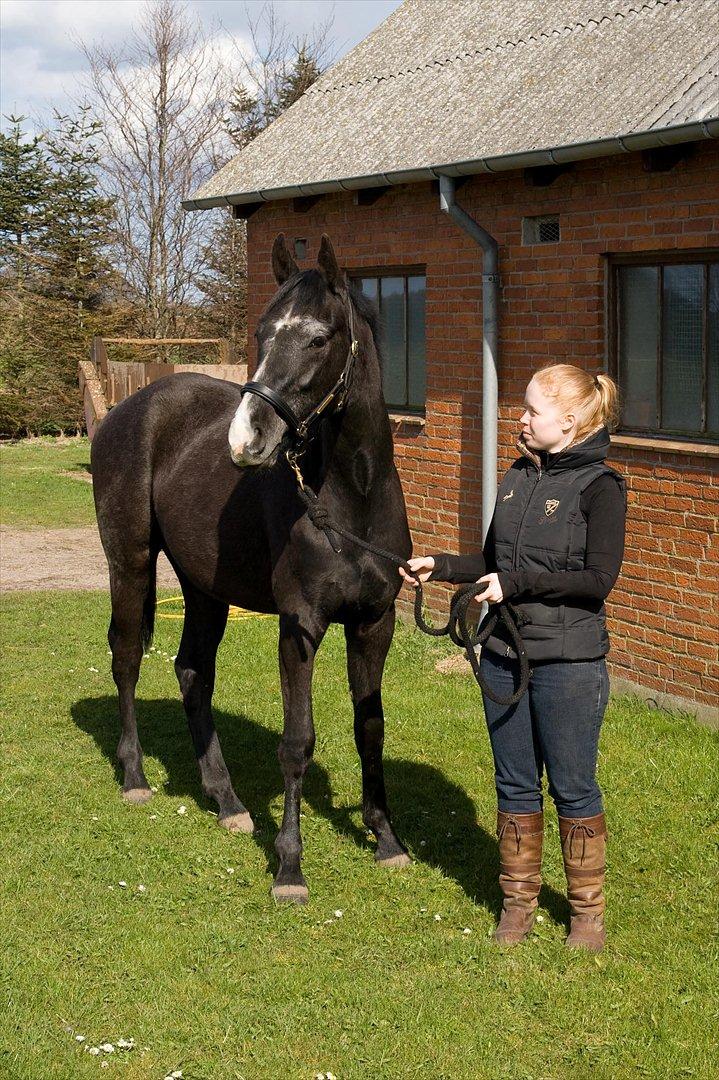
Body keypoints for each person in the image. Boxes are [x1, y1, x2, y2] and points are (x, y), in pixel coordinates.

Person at [401, 364, 626, 952]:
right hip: (503, 653)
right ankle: (519, 903)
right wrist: (442, 567)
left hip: (569, 663)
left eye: (531, 411)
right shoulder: (516, 479)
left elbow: (597, 579)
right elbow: (489, 559)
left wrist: (517, 584)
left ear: (570, 422)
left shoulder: (601, 487)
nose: (519, 420)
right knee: (514, 783)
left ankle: (586, 914)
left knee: (574, 787)